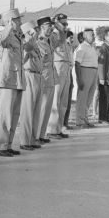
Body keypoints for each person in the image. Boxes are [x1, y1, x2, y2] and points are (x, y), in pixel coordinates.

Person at [0, 8, 25, 156]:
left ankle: (8, 144)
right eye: (18, 19)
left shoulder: (18, 36)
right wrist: (8, 27)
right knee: (4, 114)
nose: (21, 21)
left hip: (17, 79)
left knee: (14, 114)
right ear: (11, 21)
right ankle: (0, 146)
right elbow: (0, 41)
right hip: (6, 79)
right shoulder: (3, 34)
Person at [35, 15, 66, 143]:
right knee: (41, 108)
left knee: (47, 108)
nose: (51, 28)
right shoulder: (39, 40)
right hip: (44, 76)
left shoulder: (50, 39)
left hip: (52, 76)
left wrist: (60, 28)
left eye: (51, 26)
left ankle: (43, 135)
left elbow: (61, 40)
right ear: (42, 27)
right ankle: (37, 135)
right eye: (48, 26)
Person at [47, 13, 72, 140]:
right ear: (57, 22)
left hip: (66, 66)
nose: (66, 25)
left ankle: (59, 128)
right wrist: (57, 28)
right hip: (57, 65)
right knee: (56, 99)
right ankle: (51, 129)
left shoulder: (63, 33)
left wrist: (63, 29)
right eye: (63, 23)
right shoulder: (53, 33)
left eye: (66, 23)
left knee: (63, 101)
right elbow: (56, 44)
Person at [19, 21, 43, 150]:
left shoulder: (36, 45)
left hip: (38, 75)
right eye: (35, 30)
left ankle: (33, 138)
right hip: (29, 75)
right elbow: (23, 58)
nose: (37, 31)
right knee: (28, 110)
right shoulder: (26, 45)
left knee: (36, 110)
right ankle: (25, 141)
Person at [74, 27, 99, 128]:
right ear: (85, 36)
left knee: (89, 98)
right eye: (91, 35)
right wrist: (79, 79)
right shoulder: (82, 47)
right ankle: (80, 121)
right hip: (85, 71)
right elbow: (77, 63)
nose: (94, 36)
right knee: (82, 98)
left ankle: (85, 119)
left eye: (94, 35)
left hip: (93, 72)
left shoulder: (92, 47)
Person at [62, 30, 75, 130]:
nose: (72, 39)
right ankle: (61, 123)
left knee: (68, 100)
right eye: (70, 37)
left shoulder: (70, 47)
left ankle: (65, 122)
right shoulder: (63, 45)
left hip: (69, 71)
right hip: (63, 71)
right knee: (63, 100)